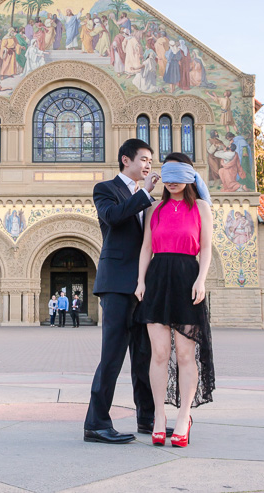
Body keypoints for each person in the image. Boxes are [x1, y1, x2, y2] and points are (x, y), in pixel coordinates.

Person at [84, 139, 162, 444]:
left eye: (150, 162)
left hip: (143, 285)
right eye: (143, 159)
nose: (147, 166)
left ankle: (148, 418)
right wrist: (144, 195)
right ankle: (96, 423)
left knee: (144, 355)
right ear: (125, 160)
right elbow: (113, 218)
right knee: (113, 355)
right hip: (116, 284)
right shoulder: (106, 189)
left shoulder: (148, 199)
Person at [136, 152, 215, 448]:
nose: (170, 182)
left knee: (184, 354)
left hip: (186, 279)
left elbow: (206, 248)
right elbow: (146, 247)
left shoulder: (202, 208)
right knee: (158, 353)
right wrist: (141, 281)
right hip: (156, 279)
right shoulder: (154, 208)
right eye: (166, 176)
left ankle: (184, 417)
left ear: (189, 177)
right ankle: (159, 416)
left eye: (177, 177)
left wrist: (201, 280)